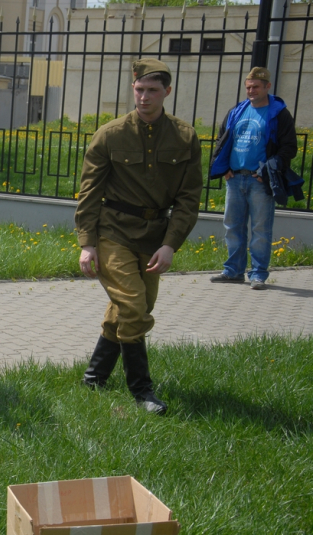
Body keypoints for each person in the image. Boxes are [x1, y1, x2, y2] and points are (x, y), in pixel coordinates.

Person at [75, 59, 203, 415]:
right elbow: (89, 192)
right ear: (133, 89)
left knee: (136, 307)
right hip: (113, 231)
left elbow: (189, 198)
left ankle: (94, 377)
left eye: (153, 91)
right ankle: (142, 391)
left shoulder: (185, 137)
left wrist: (170, 244)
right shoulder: (110, 134)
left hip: (155, 236)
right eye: (139, 89)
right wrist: (87, 244)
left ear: (167, 92)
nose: (144, 97)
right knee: (133, 306)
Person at [208, 67, 298, 290]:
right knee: (232, 227)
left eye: (256, 87)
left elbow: (289, 148)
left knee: (260, 230)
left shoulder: (279, 114)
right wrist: (225, 169)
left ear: (267, 86)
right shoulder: (237, 111)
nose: (251, 91)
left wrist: (267, 171)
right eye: (248, 87)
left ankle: (258, 274)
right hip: (235, 178)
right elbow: (221, 138)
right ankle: (233, 271)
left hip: (259, 182)